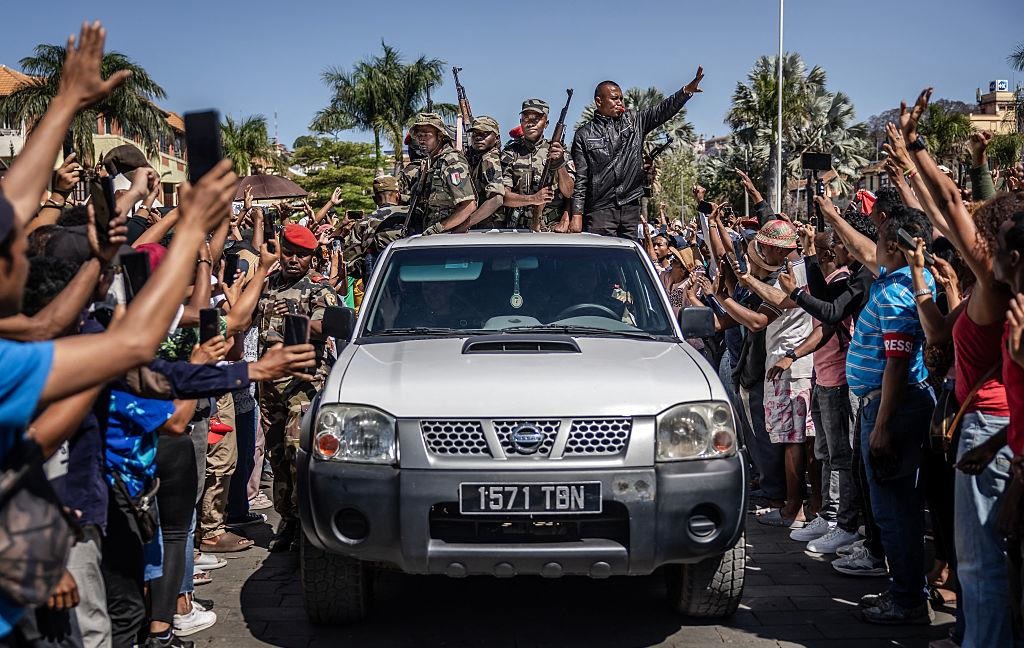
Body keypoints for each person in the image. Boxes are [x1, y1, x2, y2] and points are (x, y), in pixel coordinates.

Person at [829, 195, 937, 625]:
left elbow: (896, 362)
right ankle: (907, 591)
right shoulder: (905, 280)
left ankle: (908, 599)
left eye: (878, 239)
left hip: (890, 409)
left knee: (894, 509)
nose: (871, 246)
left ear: (892, 247)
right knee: (894, 507)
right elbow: (858, 248)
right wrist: (834, 214)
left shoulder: (898, 294)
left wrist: (882, 427)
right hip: (887, 405)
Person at [256, 224, 340, 552]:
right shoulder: (267, 285)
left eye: (300, 255)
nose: (293, 260)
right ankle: (287, 518)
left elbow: (326, 325)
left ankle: (305, 523)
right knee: (277, 455)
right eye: (288, 253)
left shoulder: (318, 288)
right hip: (270, 385)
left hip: (303, 383)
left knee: (297, 454)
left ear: (311, 257)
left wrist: (295, 319)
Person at [571, 67, 703, 238]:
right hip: (599, 209)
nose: (619, 102)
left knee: (627, 258)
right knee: (601, 261)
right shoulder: (584, 134)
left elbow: (661, 111)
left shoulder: (634, 120)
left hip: (630, 206)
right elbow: (580, 179)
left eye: (621, 98)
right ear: (598, 101)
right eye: (614, 98)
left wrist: (685, 92)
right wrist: (577, 214)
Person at [499, 100, 574, 232]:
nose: (530, 122)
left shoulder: (560, 151)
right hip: (517, 228)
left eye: (537, 118)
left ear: (546, 124)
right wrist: (533, 199)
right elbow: (503, 197)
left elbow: (569, 192)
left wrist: (559, 163)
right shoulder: (510, 153)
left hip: (551, 228)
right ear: (521, 122)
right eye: (526, 118)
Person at [406, 112, 476, 235]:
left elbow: (469, 206)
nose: (421, 139)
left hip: (448, 238)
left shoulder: (451, 161)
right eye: (419, 135)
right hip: (434, 236)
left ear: (440, 136)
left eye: (426, 134)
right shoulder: (432, 162)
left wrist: (440, 228)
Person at [457, 116, 505, 231]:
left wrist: (465, 225)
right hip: (480, 227)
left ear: (496, 138)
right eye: (475, 134)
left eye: (484, 134)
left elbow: (496, 199)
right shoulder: (474, 157)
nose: (478, 138)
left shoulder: (490, 159)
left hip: (489, 228)